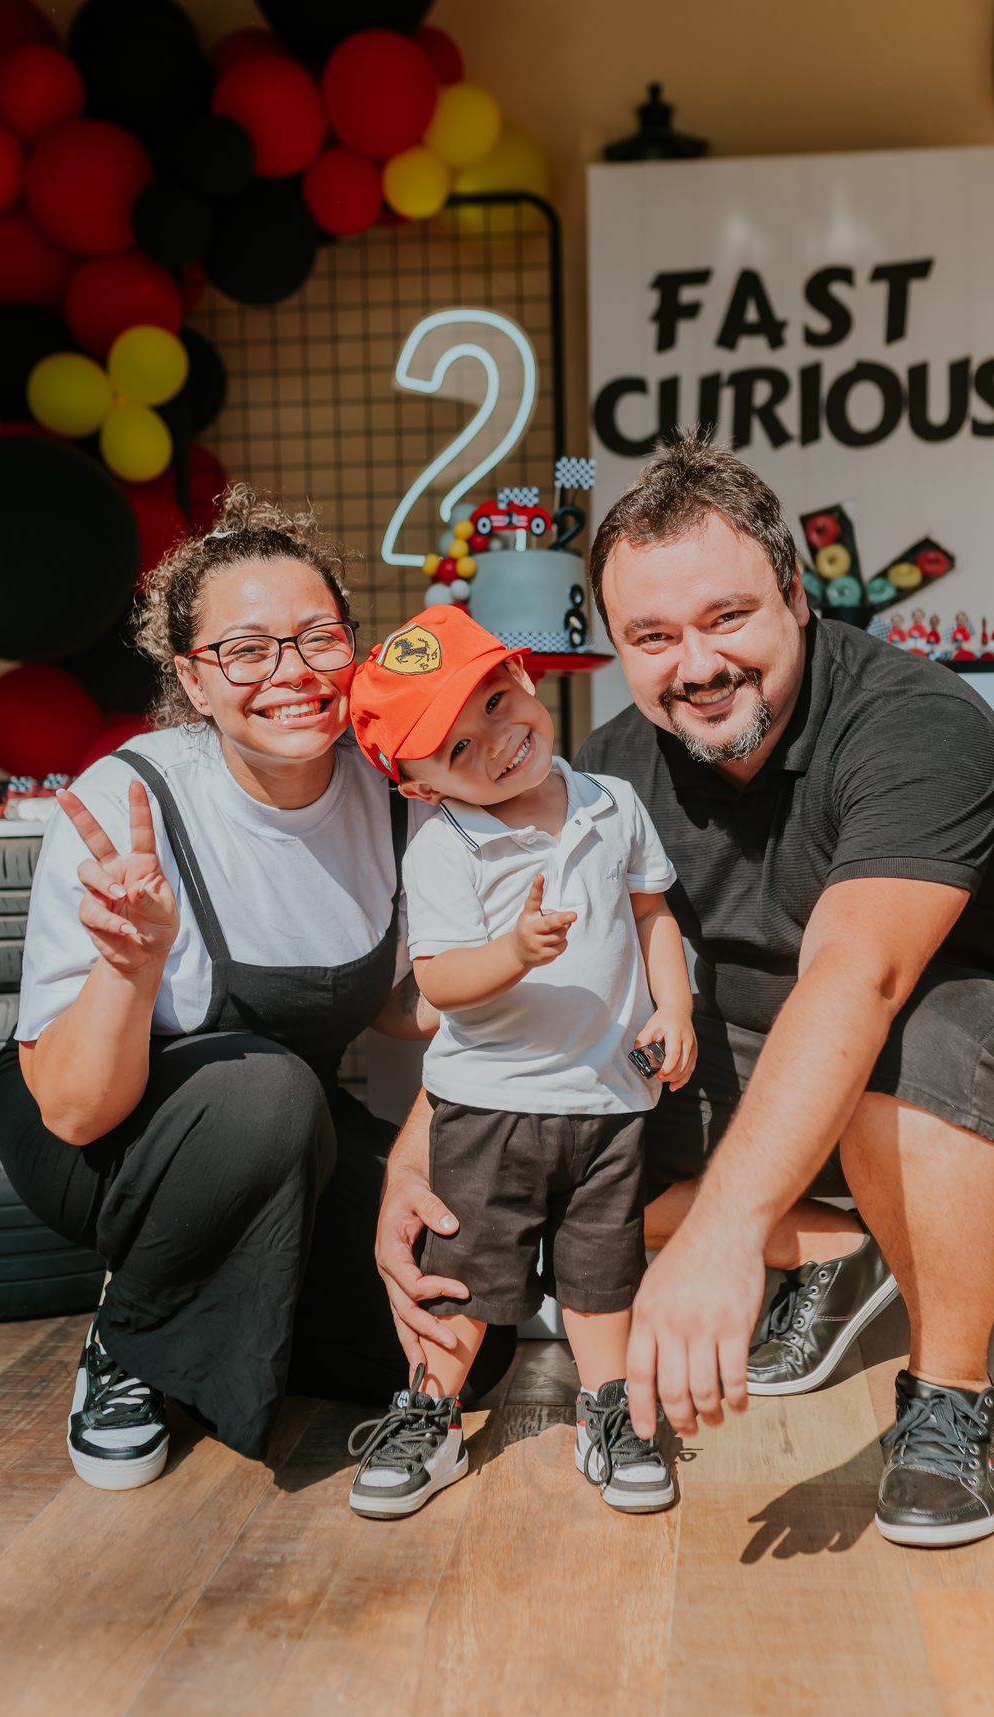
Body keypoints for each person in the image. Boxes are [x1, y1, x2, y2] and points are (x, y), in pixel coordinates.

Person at [377, 436, 994, 1550]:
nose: (697, 664)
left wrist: (722, 1234)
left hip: (978, 1041)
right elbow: (554, 994)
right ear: (616, 647)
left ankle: (950, 1398)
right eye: (654, 637)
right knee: (562, 1169)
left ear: (795, 592)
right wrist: (419, 1152)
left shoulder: (913, 722)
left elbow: (858, 976)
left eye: (728, 618)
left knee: (917, 1039)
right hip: (751, 1048)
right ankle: (834, 1243)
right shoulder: (613, 771)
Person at [0, 487, 512, 1492]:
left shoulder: (391, 793)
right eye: (247, 650)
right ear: (194, 674)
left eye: (319, 638)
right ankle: (133, 1338)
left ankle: (230, 1305)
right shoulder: (128, 803)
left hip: (286, 1143)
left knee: (464, 1334)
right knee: (266, 1089)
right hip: (104, 1135)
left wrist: (517, 952)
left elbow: (402, 1004)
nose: (293, 675)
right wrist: (129, 969)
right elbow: (71, 1105)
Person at [342, 605, 696, 1518]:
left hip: (609, 1101)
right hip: (487, 1108)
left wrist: (675, 1005)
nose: (499, 741)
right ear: (418, 786)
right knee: (461, 1275)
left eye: (499, 701)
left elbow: (654, 915)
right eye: (459, 748)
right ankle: (431, 1413)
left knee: (603, 1272)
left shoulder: (611, 803)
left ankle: (608, 1412)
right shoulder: (446, 843)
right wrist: (516, 951)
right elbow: (441, 982)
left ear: (528, 679)